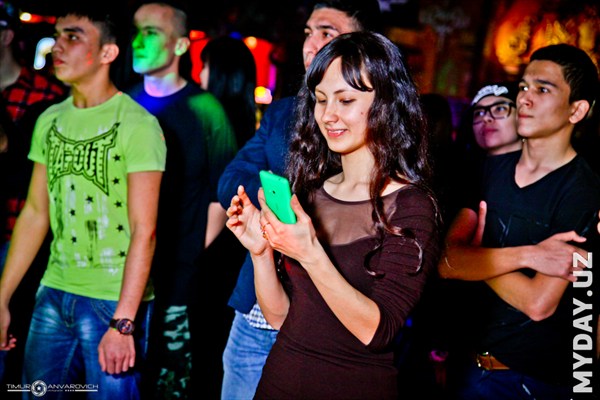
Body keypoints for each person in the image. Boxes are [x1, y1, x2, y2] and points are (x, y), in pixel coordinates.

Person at [225, 30, 439, 399]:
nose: (328, 115)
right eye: (321, 100)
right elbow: (281, 318)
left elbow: (378, 331)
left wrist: (310, 253)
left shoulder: (411, 206)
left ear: (386, 102)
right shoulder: (312, 192)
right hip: (279, 381)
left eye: (346, 100)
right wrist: (260, 252)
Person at [216, 1, 382, 398]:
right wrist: (269, 198)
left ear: (364, 45)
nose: (311, 45)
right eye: (308, 33)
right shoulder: (283, 112)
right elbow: (230, 179)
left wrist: (299, 203)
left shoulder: (376, 121)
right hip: (257, 311)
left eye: (326, 33)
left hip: (326, 317)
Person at [0, 4, 166, 399]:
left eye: (73, 37)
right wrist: (2, 298)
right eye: (58, 36)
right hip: (53, 291)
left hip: (113, 299)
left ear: (108, 52)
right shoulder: (50, 120)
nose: (57, 46)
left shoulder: (139, 125)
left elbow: (144, 230)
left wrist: (123, 322)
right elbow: (35, 213)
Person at [439, 43, 600, 399]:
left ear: (576, 110)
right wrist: (529, 255)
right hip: (467, 366)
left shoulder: (584, 192)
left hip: (530, 383)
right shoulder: (487, 170)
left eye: (543, 89)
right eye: (524, 86)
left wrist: (476, 256)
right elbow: (447, 262)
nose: (525, 98)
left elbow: (538, 303)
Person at [127, 3, 237, 399]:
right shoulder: (125, 104)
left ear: (179, 45)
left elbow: (224, 193)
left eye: (152, 32)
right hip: (118, 274)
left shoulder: (206, 111)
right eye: (137, 30)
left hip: (176, 281)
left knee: (166, 382)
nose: (138, 41)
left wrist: (189, 252)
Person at [200, 35, 257, 148]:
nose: (200, 74)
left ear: (221, 73)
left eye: (204, 66)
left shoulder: (215, 123)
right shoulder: (243, 126)